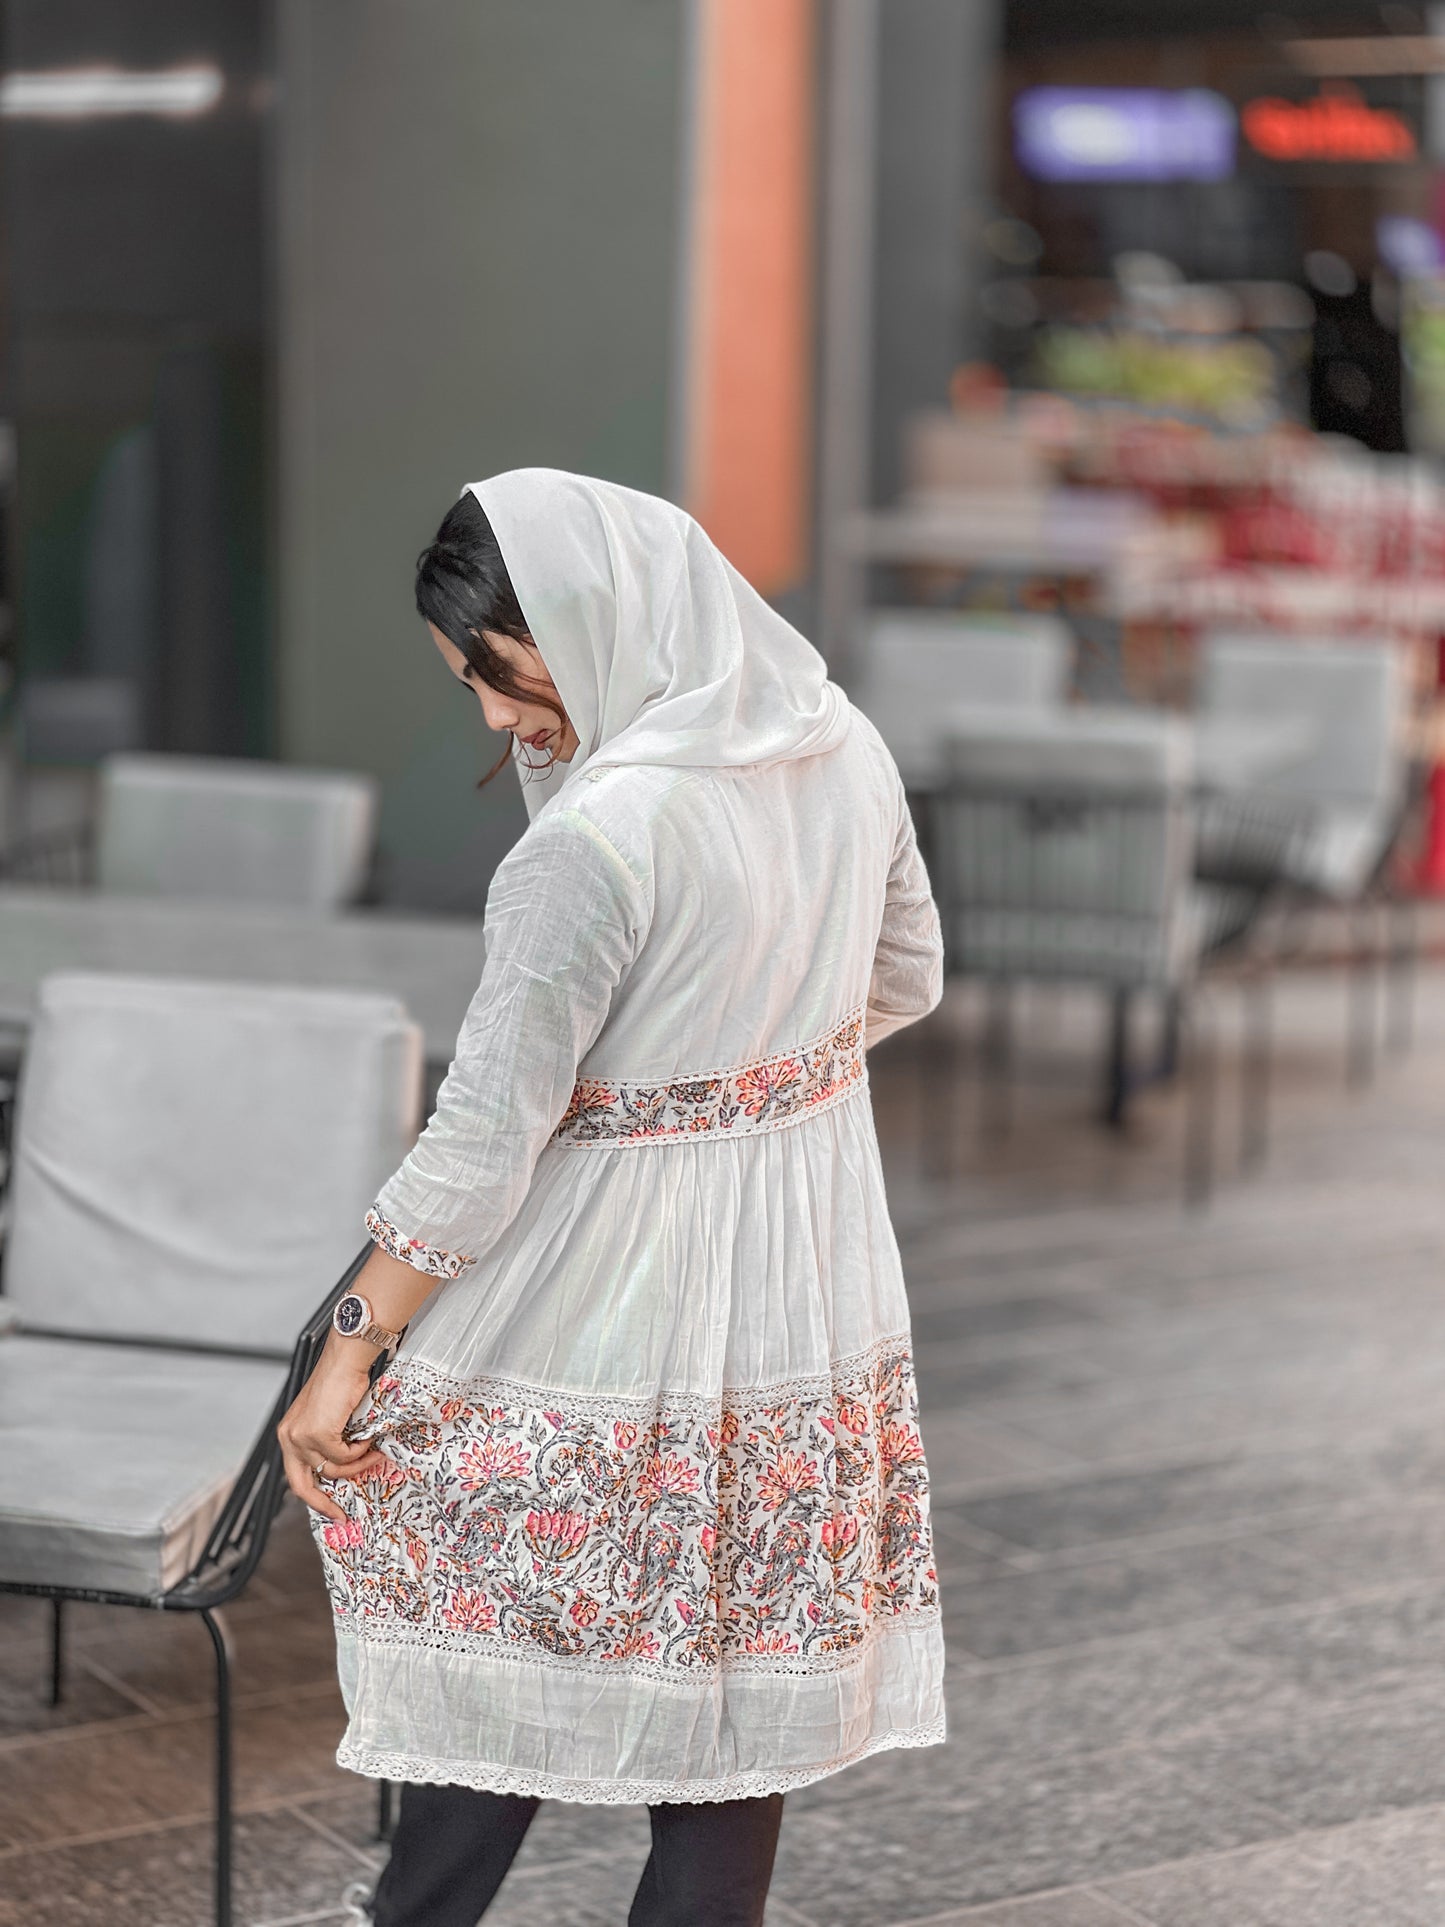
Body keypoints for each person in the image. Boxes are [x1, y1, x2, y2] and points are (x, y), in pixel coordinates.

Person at [278, 469, 946, 1926]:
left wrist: (344, 1350)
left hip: (599, 1276)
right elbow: (906, 981)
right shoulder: (835, 739)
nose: (498, 718)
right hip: (800, 1282)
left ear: (587, 623)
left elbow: (479, 1142)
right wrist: (745, 1094)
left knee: (494, 1591)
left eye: (502, 674)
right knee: (723, 1674)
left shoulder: (593, 842)